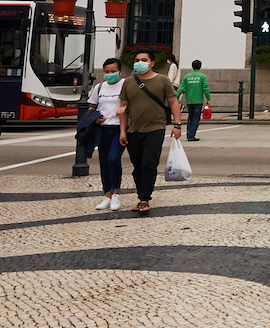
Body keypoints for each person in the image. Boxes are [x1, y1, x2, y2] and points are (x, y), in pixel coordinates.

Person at [117, 49, 181, 214]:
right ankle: (142, 194)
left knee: (148, 163)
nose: (140, 62)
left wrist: (177, 124)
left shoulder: (163, 81)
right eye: (137, 59)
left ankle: (144, 198)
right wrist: (122, 131)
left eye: (144, 60)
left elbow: (173, 102)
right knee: (137, 165)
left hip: (156, 128)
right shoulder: (128, 83)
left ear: (152, 63)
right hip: (134, 129)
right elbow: (124, 107)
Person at [86, 57, 125, 210]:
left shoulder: (124, 85)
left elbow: (127, 105)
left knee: (113, 158)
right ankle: (107, 194)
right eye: (107, 71)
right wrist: (94, 118)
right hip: (103, 128)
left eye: (113, 71)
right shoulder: (100, 87)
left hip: (118, 128)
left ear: (120, 72)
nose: (110, 74)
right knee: (103, 161)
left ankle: (116, 192)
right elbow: (91, 107)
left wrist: (124, 129)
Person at [178, 60, 211, 143]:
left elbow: (181, 88)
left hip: (189, 100)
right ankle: (192, 135)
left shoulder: (187, 76)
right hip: (198, 100)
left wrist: (176, 97)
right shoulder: (202, 76)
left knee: (190, 117)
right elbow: (205, 89)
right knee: (196, 118)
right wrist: (208, 99)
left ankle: (189, 133)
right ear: (200, 67)